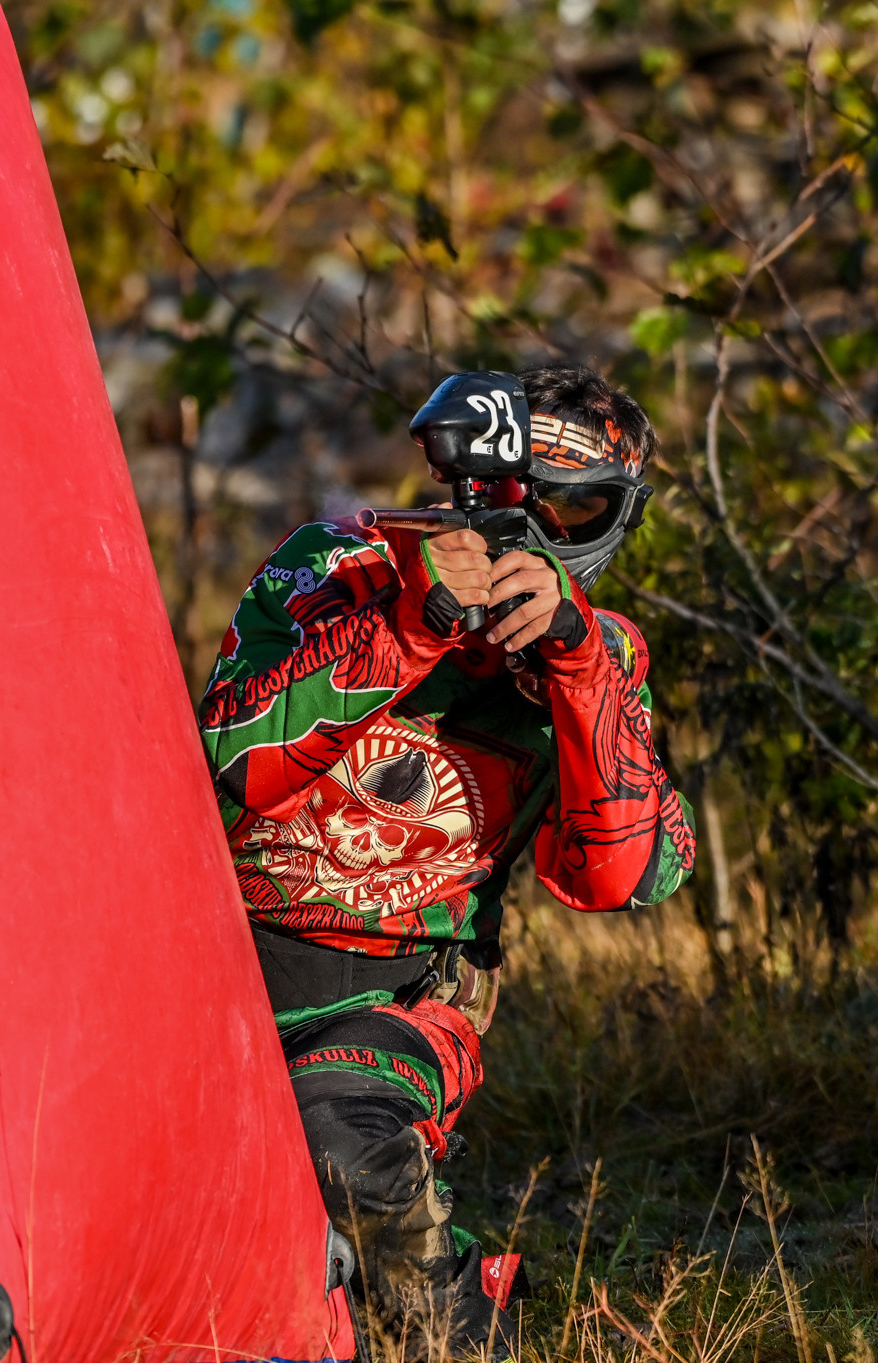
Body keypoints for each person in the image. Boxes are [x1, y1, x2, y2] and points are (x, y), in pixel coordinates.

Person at [197, 366, 696, 1358]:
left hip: (397, 1004)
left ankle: (469, 1331)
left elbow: (626, 875)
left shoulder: (600, 652)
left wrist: (570, 660)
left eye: (575, 504)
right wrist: (408, 621)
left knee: (338, 1140)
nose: (537, 530)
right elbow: (232, 756)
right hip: (209, 971)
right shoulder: (337, 564)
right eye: (520, 495)